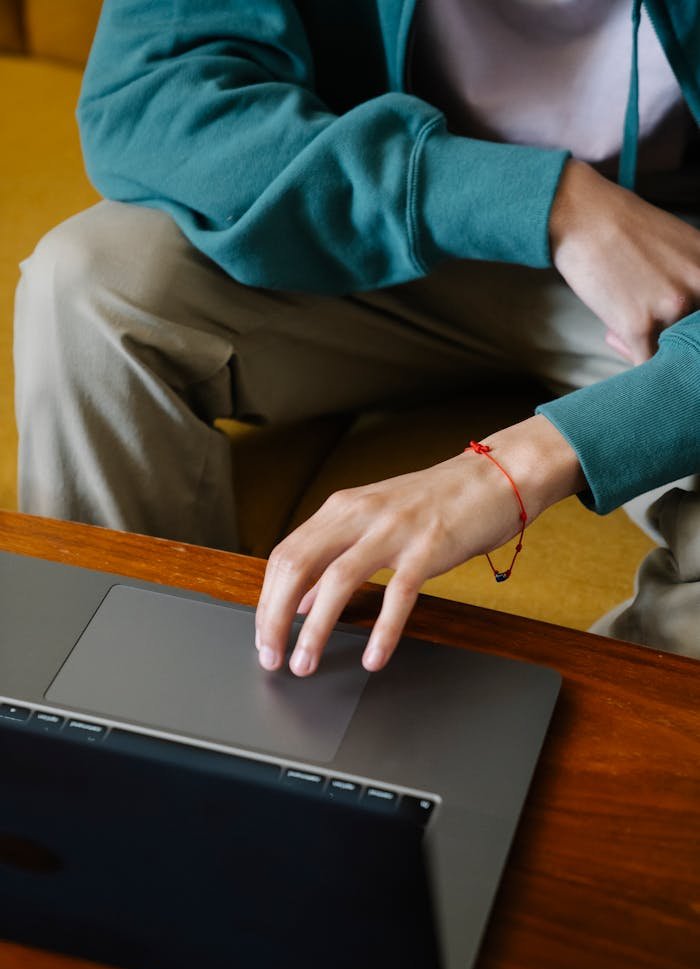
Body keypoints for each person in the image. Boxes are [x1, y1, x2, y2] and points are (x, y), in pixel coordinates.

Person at [13, 0, 700, 676]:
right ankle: (116, 712)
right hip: (372, 227)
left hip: (675, 268)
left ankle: (588, 775)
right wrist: (548, 204)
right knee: (87, 288)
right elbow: (152, 97)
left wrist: (517, 467)